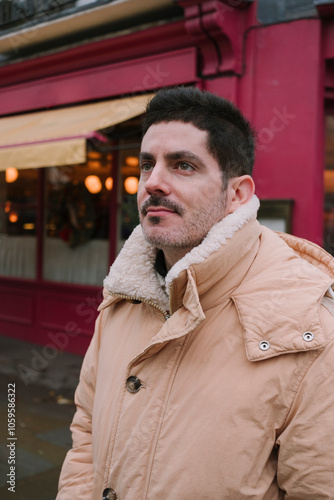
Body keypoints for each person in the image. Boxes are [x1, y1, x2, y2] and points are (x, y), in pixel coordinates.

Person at [57, 87, 334, 500]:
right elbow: (86, 433)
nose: (153, 183)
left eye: (182, 165)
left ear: (236, 195)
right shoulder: (123, 295)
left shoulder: (307, 325)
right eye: (146, 165)